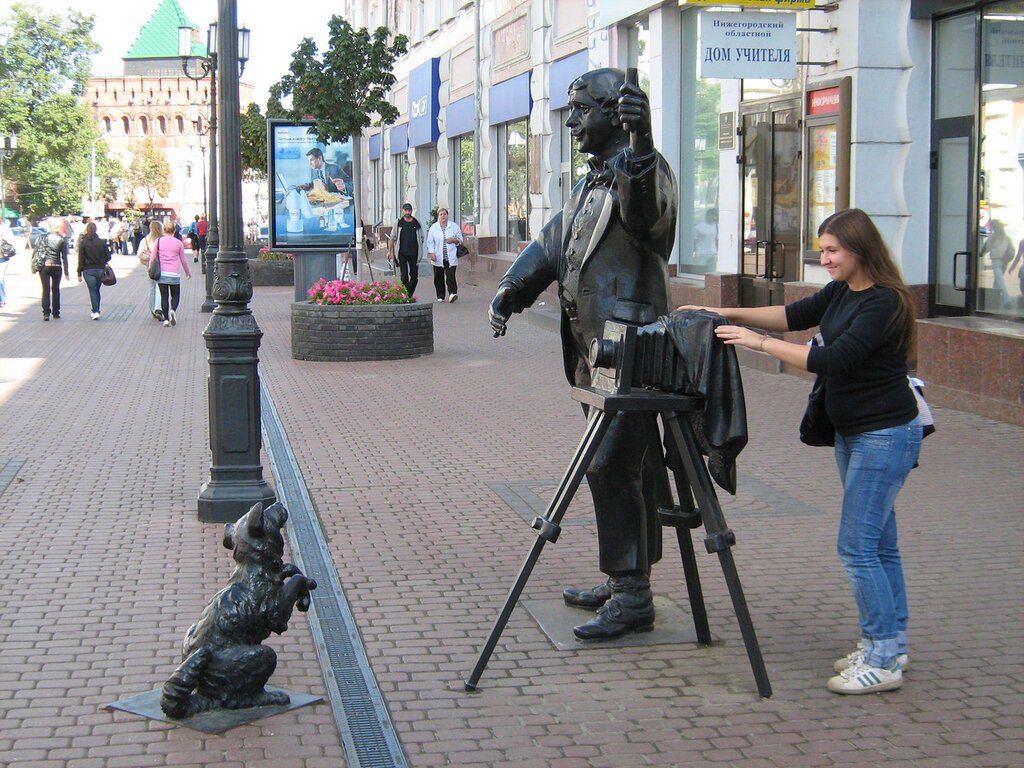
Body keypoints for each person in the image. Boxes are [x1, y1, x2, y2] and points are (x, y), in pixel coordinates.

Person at [682, 207, 922, 695]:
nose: (825, 258)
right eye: (823, 249)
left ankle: (882, 658)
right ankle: (890, 643)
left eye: (833, 250)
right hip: (854, 432)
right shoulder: (842, 291)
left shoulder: (884, 303)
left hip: (885, 434)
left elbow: (831, 359)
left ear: (861, 249)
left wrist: (758, 343)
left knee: (858, 547)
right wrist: (723, 313)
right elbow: (792, 316)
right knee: (879, 544)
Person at [488, 68, 677, 641]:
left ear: (613, 114)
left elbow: (647, 219)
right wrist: (512, 289)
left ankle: (632, 593)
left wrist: (641, 147)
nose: (570, 122)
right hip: (595, 353)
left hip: (634, 347)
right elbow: (554, 240)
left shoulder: (644, 169)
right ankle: (629, 577)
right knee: (632, 465)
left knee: (609, 462)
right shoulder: (587, 181)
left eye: (579, 110)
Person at [148, 220, 191, 327]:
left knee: (164, 296)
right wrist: (187, 272)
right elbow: (183, 259)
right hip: (174, 273)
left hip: (162, 273)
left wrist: (150, 268)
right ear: (174, 230)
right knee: (175, 294)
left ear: (164, 230)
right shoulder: (178, 243)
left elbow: (153, 257)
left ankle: (166, 319)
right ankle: (173, 310)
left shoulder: (158, 241)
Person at [33, 217, 69, 321]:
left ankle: (46, 313)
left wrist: (34, 266)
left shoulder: (42, 237)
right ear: (58, 226)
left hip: (44, 265)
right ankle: (56, 312)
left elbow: (36, 251)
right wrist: (66, 272)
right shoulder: (61, 239)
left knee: (46, 289)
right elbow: (64, 257)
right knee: (56, 289)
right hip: (56, 266)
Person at [426, 207, 463, 302]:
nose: (443, 216)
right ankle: (440, 295)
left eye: (445, 214)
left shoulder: (453, 226)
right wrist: (432, 253)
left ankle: (452, 293)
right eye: (441, 214)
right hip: (438, 257)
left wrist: (453, 240)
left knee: (450, 275)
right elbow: (430, 242)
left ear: (447, 216)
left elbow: (460, 239)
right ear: (438, 216)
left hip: (450, 256)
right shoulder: (434, 228)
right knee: (438, 277)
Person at [76, 221, 112, 320]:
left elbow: (81, 259)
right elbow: (108, 257)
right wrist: (102, 260)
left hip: (88, 270)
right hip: (100, 269)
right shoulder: (102, 242)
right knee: (97, 289)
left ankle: (95, 311)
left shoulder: (83, 243)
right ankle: (96, 309)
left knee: (92, 290)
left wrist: (79, 272)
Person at [389, 203, 424, 298]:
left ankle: (408, 293)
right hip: (402, 253)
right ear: (402, 211)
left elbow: (421, 238)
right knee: (404, 276)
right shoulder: (399, 223)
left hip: (414, 254)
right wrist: (389, 251)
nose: (407, 212)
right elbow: (393, 237)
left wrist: (420, 249)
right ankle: (407, 295)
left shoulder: (416, 223)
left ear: (411, 211)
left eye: (409, 210)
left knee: (414, 277)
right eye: (405, 210)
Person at [981, 220, 1014, 309]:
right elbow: (1012, 249)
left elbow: (986, 247)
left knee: (999, 281)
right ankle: (994, 300)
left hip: (997, 260)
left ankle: (1007, 300)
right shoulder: (1006, 238)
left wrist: (980, 253)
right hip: (1004, 261)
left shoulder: (994, 237)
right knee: (997, 281)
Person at [138, 220, 166, 321]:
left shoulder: (145, 240)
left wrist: (149, 258)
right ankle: (158, 309)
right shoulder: (163, 239)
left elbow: (139, 253)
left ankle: (153, 308)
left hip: (150, 267)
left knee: (152, 288)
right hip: (162, 266)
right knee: (159, 288)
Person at [0, 217, 18, 309]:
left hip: (2, 257)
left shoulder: (4, 228)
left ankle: (2, 300)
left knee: (0, 278)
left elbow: (11, 241)